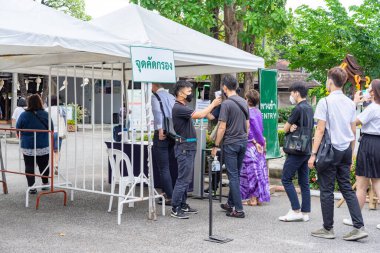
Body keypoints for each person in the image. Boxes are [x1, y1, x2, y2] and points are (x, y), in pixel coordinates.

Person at [308, 67, 368, 241]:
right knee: (347, 189)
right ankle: (359, 226)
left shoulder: (325, 102)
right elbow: (352, 129)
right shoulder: (350, 103)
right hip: (346, 150)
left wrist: (313, 154)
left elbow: (320, 130)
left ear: (330, 82)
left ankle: (328, 228)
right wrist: (351, 152)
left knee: (326, 189)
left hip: (330, 150)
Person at [171, 80, 221, 219]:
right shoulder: (179, 108)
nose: (190, 93)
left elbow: (204, 115)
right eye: (188, 91)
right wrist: (213, 104)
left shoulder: (183, 106)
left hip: (188, 147)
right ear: (180, 93)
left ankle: (182, 204)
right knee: (183, 179)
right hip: (184, 148)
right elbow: (199, 115)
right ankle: (175, 207)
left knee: (186, 179)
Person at [342, 80, 380, 230]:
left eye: (369, 89)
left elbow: (354, 122)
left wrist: (354, 104)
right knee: (377, 180)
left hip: (369, 144)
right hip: (378, 144)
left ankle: (355, 219)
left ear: (373, 92)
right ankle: (356, 218)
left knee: (362, 185)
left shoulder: (372, 109)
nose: (366, 91)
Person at [211, 74, 249, 218]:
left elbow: (221, 127)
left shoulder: (226, 104)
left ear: (225, 88)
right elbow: (247, 125)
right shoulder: (244, 102)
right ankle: (230, 203)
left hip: (231, 143)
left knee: (233, 176)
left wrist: (215, 145)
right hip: (242, 142)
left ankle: (238, 210)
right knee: (236, 174)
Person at [279, 82, 314, 222]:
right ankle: (305, 212)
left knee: (286, 179)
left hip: (296, 150)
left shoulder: (298, 109)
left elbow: (285, 128)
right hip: (306, 150)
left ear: (297, 93)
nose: (291, 95)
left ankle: (295, 210)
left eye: (291, 93)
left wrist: (291, 128)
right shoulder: (310, 108)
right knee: (304, 182)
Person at [16, 94, 53, 194]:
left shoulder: (24, 115)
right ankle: (45, 184)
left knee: (29, 165)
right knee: (44, 165)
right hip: (43, 144)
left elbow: (18, 128)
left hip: (28, 145)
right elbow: (51, 128)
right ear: (40, 102)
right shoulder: (46, 114)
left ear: (29, 103)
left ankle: (32, 187)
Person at [240, 89, 270, 206]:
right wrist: (261, 141)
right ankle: (258, 198)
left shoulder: (248, 113)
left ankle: (252, 199)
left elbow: (249, 130)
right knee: (259, 171)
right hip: (259, 144)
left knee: (250, 172)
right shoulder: (258, 112)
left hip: (250, 145)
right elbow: (260, 129)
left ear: (248, 99)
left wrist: (253, 140)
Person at [151, 83, 176, 205]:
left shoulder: (156, 96)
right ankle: (168, 192)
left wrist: (160, 129)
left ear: (154, 86)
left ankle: (170, 197)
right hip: (172, 133)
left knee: (163, 168)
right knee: (169, 165)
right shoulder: (171, 96)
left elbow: (157, 113)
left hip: (162, 133)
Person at [45, 96, 66, 174]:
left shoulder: (47, 110)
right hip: (59, 132)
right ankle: (56, 164)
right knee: (57, 150)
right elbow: (65, 120)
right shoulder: (61, 109)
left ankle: (52, 164)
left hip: (49, 132)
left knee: (50, 150)